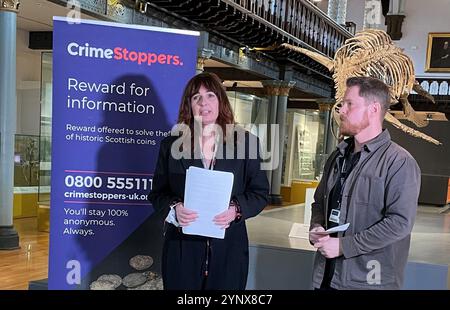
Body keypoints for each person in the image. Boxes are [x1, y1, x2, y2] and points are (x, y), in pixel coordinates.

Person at [148, 72, 269, 290]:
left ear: (221, 101)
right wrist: (174, 208)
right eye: (196, 97)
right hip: (182, 250)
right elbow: (157, 194)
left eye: (210, 95)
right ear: (189, 105)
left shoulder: (246, 143)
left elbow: (260, 193)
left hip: (229, 250)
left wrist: (236, 209)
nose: (204, 103)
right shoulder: (170, 146)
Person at [309, 76, 421, 290]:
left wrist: (343, 246)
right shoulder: (337, 157)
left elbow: (400, 223)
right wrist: (317, 227)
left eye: (349, 104)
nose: (341, 111)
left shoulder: (399, 162)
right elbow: (319, 203)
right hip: (325, 277)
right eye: (342, 104)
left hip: (369, 281)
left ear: (373, 109)